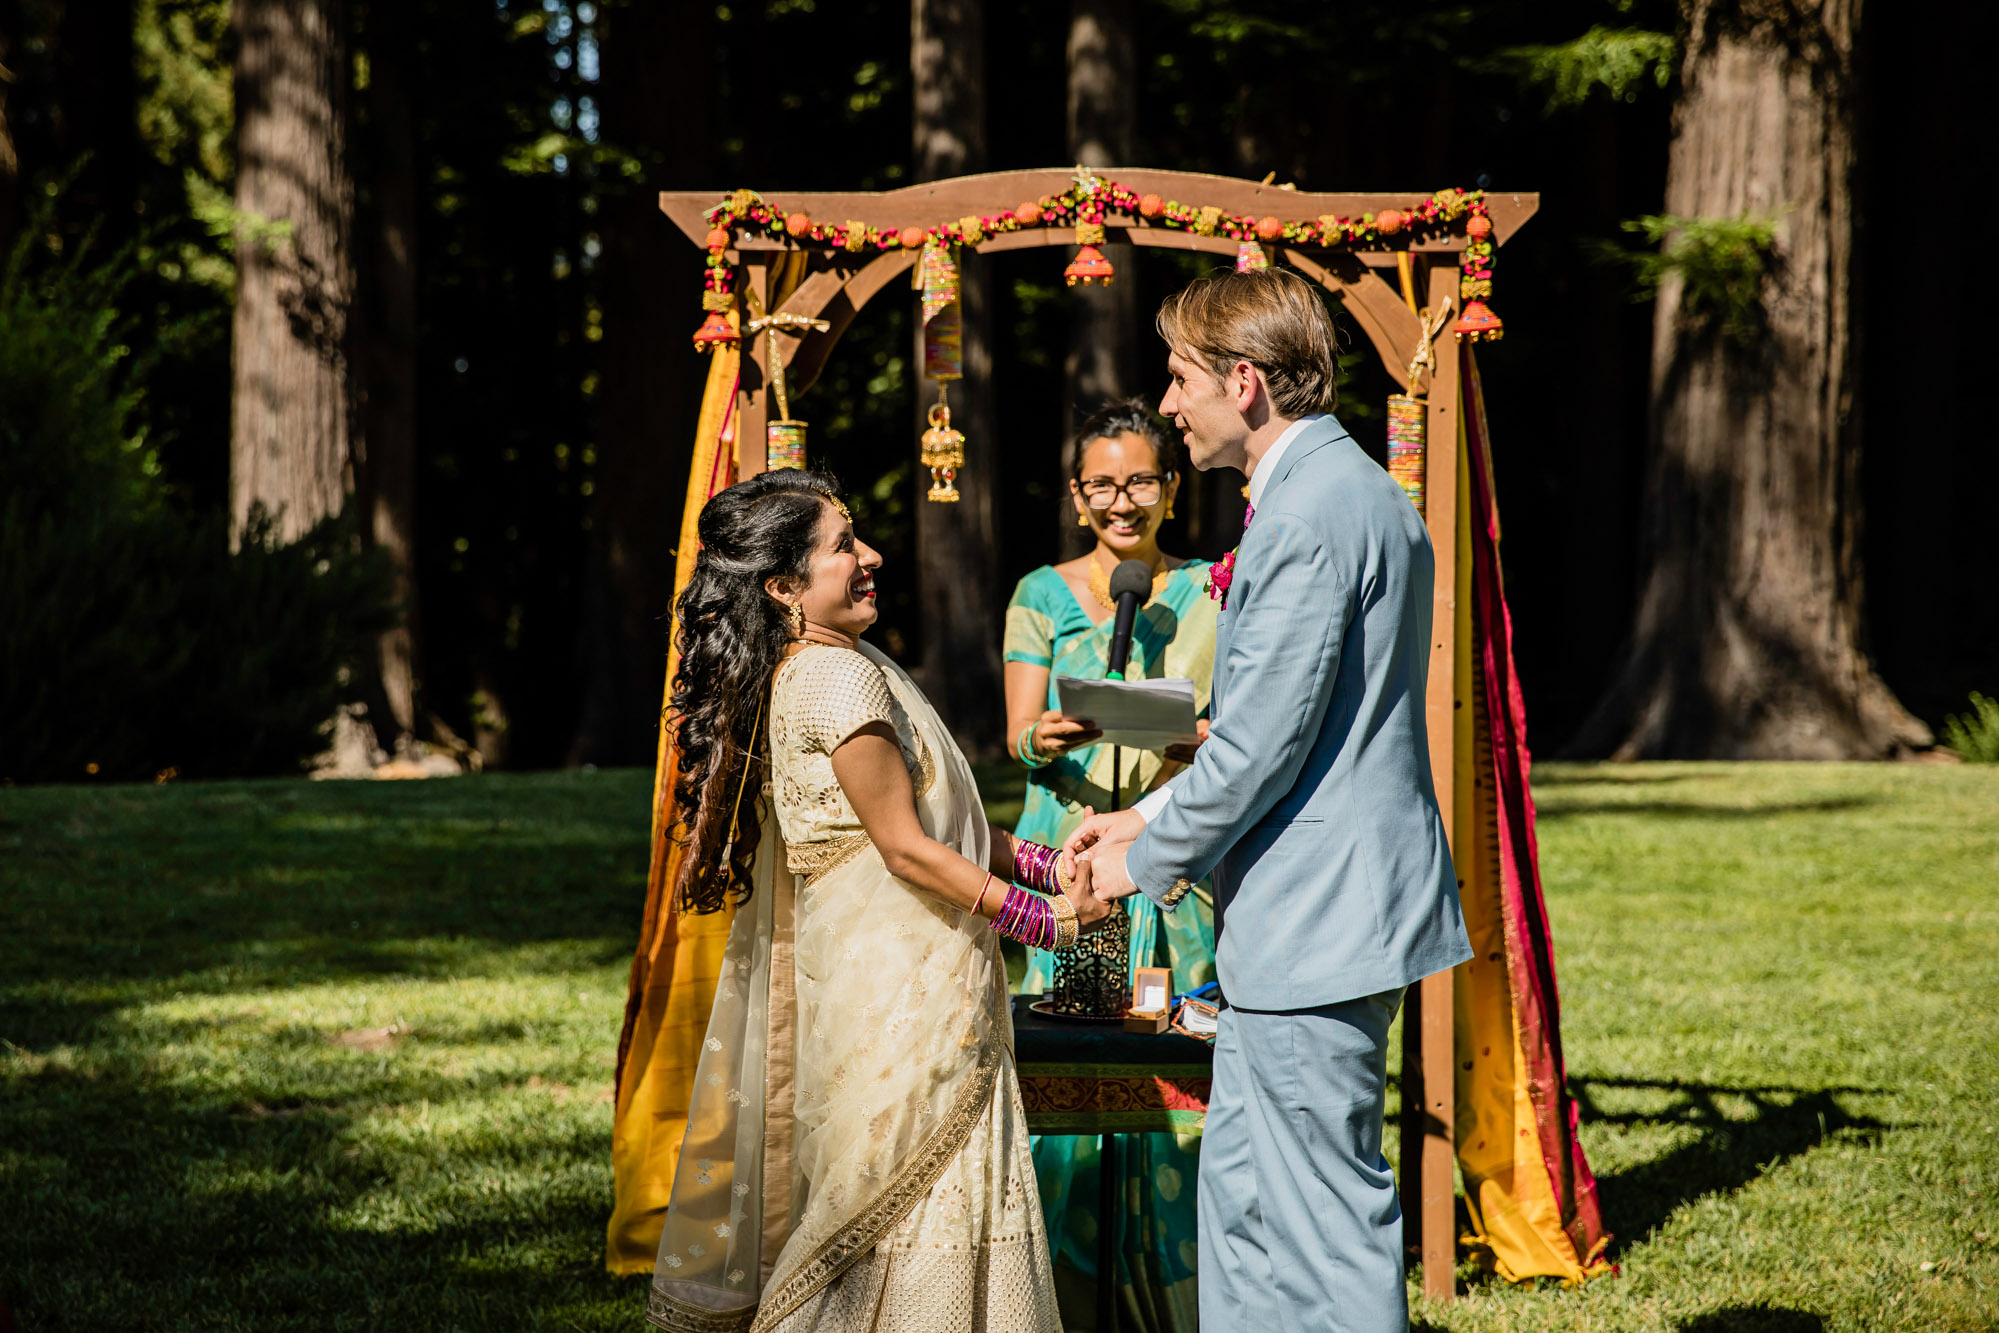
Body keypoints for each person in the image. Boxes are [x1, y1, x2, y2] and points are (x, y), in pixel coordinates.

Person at [1067, 268, 1472, 1332]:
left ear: (1242, 382)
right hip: (1310, 917)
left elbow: (1256, 750)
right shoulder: (1352, 492)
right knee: (1244, 1201)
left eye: (1179, 376)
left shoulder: (1307, 513)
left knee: (1318, 1224)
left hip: (1313, 915)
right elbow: (1289, 729)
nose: (1166, 401)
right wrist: (1141, 816)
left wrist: (1132, 866)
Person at [646, 468, 1109, 1333]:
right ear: (784, 585)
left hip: (889, 977)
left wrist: (1055, 861)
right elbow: (905, 848)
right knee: (907, 1199)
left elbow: (927, 819)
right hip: (905, 989)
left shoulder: (828, 664)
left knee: (895, 1196)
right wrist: (1051, 919)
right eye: (842, 546)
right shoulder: (839, 681)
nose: (871, 556)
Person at [1002, 399, 1217, 1331]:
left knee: (1178, 1062)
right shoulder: (1038, 594)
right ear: (1076, 494)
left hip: (1177, 851)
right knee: (1072, 1056)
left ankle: (1179, 1287)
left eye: (1138, 480)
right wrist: (1040, 733)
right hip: (1071, 857)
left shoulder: (1215, 587)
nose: (1119, 500)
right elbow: (1015, 734)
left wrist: (1189, 743)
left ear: (1170, 486)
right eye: (1101, 483)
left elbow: (1244, 728)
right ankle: (1064, 1291)